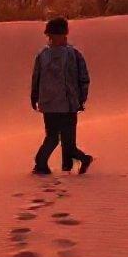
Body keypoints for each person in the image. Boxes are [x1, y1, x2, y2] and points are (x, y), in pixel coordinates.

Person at [30, 16, 93, 176]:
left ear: (63, 35)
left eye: (53, 35)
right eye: (49, 36)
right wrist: (34, 96)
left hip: (68, 105)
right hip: (49, 105)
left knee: (68, 143)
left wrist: (81, 99)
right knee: (52, 137)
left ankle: (75, 163)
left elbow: (83, 78)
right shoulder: (43, 55)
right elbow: (36, 77)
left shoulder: (73, 55)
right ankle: (41, 164)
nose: (50, 39)